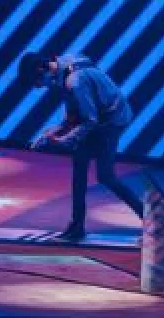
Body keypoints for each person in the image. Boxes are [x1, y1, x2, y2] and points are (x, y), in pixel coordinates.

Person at [18, 51, 144, 241]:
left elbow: (89, 120)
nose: (40, 87)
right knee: (79, 169)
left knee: (106, 176)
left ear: (42, 70)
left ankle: (152, 222)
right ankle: (76, 227)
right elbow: (75, 114)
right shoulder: (66, 65)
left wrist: (65, 140)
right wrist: (51, 133)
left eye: (37, 82)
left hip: (111, 121)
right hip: (100, 117)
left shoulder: (74, 81)